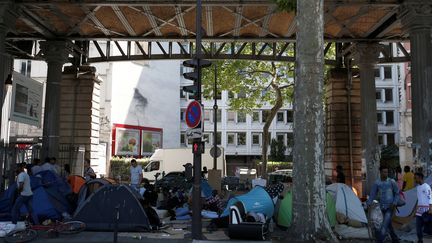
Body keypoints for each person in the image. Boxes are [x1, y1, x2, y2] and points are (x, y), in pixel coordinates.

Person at [367, 165, 400, 243]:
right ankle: (395, 240)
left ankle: (379, 241)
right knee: (388, 225)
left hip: (390, 208)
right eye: (384, 172)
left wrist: (394, 203)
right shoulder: (377, 183)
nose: (386, 173)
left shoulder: (391, 182)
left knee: (384, 226)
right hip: (381, 208)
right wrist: (368, 203)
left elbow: (397, 193)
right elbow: (372, 194)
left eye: (387, 172)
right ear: (380, 172)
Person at [11, 163, 39, 227]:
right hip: (29, 194)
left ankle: (13, 224)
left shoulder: (21, 175)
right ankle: (37, 224)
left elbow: (21, 185)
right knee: (31, 210)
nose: (15, 169)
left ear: (20, 168)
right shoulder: (26, 175)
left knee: (15, 209)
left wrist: (18, 192)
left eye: (16, 168)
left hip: (23, 195)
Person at [414, 172, 432, 243]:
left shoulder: (426, 186)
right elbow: (418, 199)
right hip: (419, 211)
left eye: (416, 178)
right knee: (418, 228)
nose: (415, 179)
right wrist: (416, 209)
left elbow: (430, 197)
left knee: (428, 228)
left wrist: (430, 208)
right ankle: (420, 240)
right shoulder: (418, 187)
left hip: (426, 211)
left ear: (420, 178)